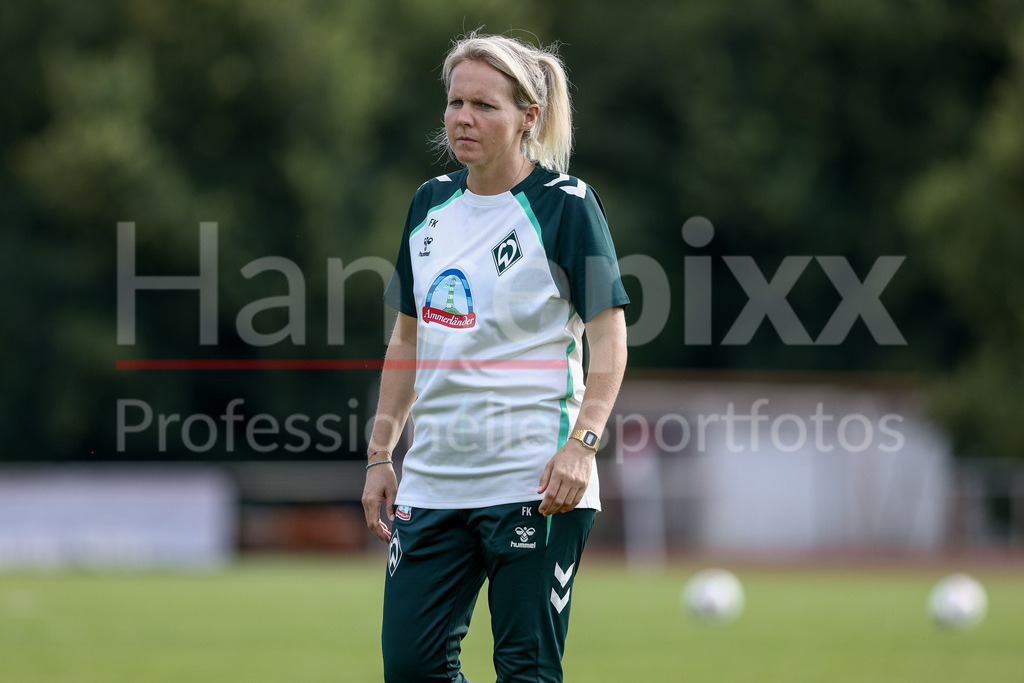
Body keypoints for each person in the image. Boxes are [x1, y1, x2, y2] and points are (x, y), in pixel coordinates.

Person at [361, 31, 629, 683]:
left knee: (526, 671)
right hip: (434, 480)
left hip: (534, 484)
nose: (462, 119)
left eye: (484, 105)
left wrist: (582, 446)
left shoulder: (566, 207)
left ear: (528, 117)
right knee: (411, 666)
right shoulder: (429, 205)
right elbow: (406, 339)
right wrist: (379, 454)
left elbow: (610, 341)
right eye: (455, 103)